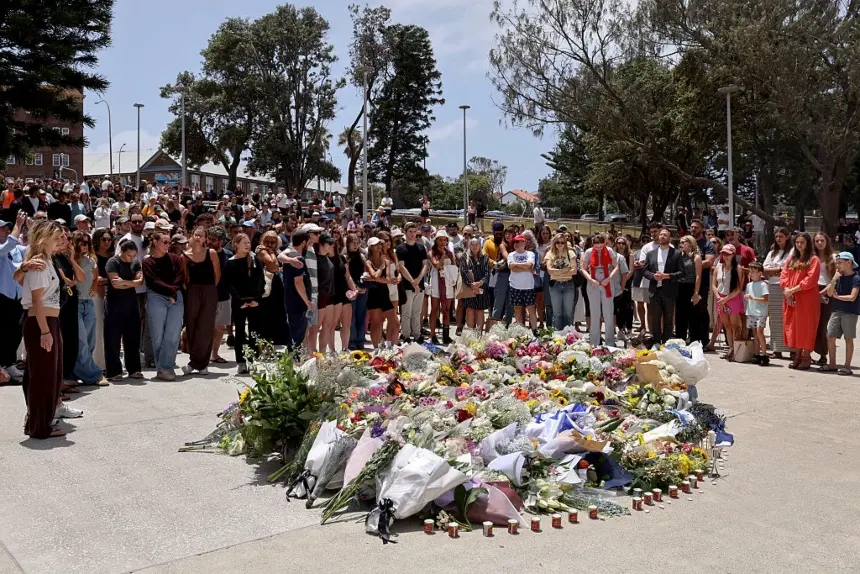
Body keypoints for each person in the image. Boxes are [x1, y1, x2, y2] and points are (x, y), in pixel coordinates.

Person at [20, 221, 67, 438]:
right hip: (42, 322)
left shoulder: (48, 261)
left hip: (49, 321)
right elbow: (37, 300)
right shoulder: (38, 263)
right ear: (43, 239)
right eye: (56, 237)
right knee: (42, 377)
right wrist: (45, 331)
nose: (60, 240)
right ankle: (39, 426)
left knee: (50, 375)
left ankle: (39, 423)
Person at [142, 230, 185, 381]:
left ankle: (166, 368)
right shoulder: (147, 262)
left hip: (175, 296)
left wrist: (173, 293)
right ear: (155, 242)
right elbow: (153, 281)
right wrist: (170, 291)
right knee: (158, 335)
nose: (168, 245)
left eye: (169, 242)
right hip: (156, 296)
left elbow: (180, 276)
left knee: (173, 334)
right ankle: (162, 369)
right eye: (164, 242)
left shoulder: (176, 259)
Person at [71, 231, 108, 386]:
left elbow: (95, 277)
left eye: (87, 243)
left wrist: (93, 288)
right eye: (82, 243)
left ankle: (80, 371)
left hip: (88, 302)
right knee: (82, 341)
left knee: (90, 340)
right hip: (76, 302)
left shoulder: (91, 259)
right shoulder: (71, 260)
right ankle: (93, 375)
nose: (85, 246)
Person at [181, 226, 220, 376]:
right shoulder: (184, 255)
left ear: (205, 239)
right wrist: (192, 290)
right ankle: (195, 361)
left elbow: (217, 276)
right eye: (196, 235)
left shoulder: (211, 253)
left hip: (209, 290)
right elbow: (185, 278)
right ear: (191, 236)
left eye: (201, 236)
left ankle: (201, 364)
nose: (198, 238)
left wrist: (208, 290)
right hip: (192, 291)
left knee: (206, 326)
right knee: (192, 325)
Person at [223, 233, 264, 374]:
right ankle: (241, 362)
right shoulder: (230, 262)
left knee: (255, 331)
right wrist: (240, 300)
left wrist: (257, 298)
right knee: (240, 332)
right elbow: (228, 284)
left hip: (254, 301)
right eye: (244, 242)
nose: (247, 245)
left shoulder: (254, 259)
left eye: (248, 242)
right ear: (236, 245)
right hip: (239, 302)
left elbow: (260, 279)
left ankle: (253, 359)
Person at [104, 239, 144, 381]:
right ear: (122, 251)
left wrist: (126, 283)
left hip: (131, 303)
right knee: (113, 338)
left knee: (133, 337)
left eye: (133, 255)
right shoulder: (112, 262)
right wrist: (132, 283)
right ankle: (114, 371)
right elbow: (116, 284)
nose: (131, 258)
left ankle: (134, 369)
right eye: (128, 255)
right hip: (114, 304)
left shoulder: (135, 263)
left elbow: (140, 282)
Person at [780, 232, 821, 370]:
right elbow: (784, 276)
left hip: (807, 299)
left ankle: (806, 357)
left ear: (808, 243)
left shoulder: (813, 260)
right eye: (797, 242)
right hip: (791, 298)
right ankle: (797, 356)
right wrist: (788, 292)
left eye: (802, 242)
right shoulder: (791, 259)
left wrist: (791, 291)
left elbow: (810, 280)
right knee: (794, 326)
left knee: (807, 327)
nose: (799, 245)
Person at [0, 212, 26, 380]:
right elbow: (7, 247)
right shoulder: (5, 247)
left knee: (15, 331)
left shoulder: (17, 248)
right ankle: (2, 365)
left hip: (17, 296)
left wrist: (31, 228)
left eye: (7, 227)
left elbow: (31, 250)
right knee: (2, 331)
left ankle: (9, 362)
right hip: (2, 295)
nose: (6, 230)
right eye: (2, 228)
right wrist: (18, 225)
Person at [824, 252, 860, 375]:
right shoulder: (838, 277)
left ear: (849, 262)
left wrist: (838, 297)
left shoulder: (856, 278)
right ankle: (832, 364)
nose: (837, 265)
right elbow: (830, 293)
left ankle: (847, 366)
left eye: (840, 263)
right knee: (830, 336)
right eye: (837, 263)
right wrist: (834, 279)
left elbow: (852, 297)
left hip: (850, 312)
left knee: (848, 338)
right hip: (836, 311)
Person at [582, 233, 620, 346]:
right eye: (596, 246)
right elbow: (583, 268)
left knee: (608, 313)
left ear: (604, 243)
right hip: (593, 282)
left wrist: (609, 278)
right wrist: (590, 279)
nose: (598, 249)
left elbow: (616, 266)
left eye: (601, 246)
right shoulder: (589, 252)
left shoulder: (609, 250)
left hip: (606, 281)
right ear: (593, 244)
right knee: (595, 313)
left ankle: (610, 342)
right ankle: (594, 342)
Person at [763, 228, 793, 358]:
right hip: (773, 286)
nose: (778, 239)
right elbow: (764, 269)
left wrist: (776, 270)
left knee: (788, 318)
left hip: (788, 286)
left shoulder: (793, 251)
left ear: (787, 237)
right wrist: (779, 269)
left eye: (781, 236)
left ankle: (792, 349)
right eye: (776, 237)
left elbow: (790, 268)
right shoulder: (772, 253)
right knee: (775, 319)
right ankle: (777, 349)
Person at [396, 222, 429, 342]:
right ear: (405, 232)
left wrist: (418, 280)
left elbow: (425, 265)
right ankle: (405, 335)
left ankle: (417, 334)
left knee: (417, 312)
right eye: (410, 231)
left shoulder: (421, 247)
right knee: (406, 313)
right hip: (406, 286)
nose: (413, 234)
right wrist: (412, 282)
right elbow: (401, 267)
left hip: (419, 284)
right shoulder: (401, 248)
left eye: (415, 232)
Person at [712, 243, 744, 360]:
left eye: (728, 254)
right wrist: (718, 297)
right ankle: (731, 348)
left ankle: (736, 349)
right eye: (724, 254)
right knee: (726, 325)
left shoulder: (738, 268)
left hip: (732, 298)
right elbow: (714, 285)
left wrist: (726, 298)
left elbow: (738, 288)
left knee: (734, 325)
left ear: (733, 255)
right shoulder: (718, 267)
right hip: (720, 298)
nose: (725, 256)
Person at [365, 237, 399, 347]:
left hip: (384, 293)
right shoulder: (368, 262)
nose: (379, 246)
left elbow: (387, 279)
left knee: (394, 322)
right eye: (376, 244)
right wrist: (380, 268)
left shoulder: (386, 262)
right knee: (376, 323)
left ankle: (390, 345)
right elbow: (376, 275)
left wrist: (374, 278)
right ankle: (376, 348)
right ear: (371, 247)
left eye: (380, 244)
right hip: (373, 294)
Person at [283, 231, 314, 351]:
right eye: (308, 242)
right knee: (297, 336)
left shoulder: (290, 256)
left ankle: (292, 359)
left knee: (295, 335)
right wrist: (307, 302)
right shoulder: (297, 258)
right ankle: (292, 360)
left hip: (292, 301)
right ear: (303, 243)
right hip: (298, 303)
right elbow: (298, 282)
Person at [428, 230, 459, 344]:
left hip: (447, 282)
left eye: (444, 240)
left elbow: (454, 267)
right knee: (435, 308)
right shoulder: (432, 252)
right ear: (436, 241)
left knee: (446, 309)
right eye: (440, 240)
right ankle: (433, 335)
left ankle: (446, 335)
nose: (442, 242)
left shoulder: (450, 253)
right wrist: (442, 256)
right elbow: (437, 265)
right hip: (436, 281)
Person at [208, 226, 233, 363]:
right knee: (206, 327)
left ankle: (214, 354)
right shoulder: (203, 254)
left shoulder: (229, 255)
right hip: (207, 296)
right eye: (209, 239)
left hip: (224, 296)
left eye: (213, 240)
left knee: (220, 327)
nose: (210, 242)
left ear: (221, 241)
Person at [545, 233, 579, 330]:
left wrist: (557, 272)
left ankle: (568, 335)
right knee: (557, 313)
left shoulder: (570, 253)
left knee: (568, 313)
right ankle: (557, 334)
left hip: (569, 285)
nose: (560, 244)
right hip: (555, 285)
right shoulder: (550, 254)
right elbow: (549, 270)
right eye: (558, 242)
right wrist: (565, 270)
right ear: (554, 243)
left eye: (562, 242)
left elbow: (574, 271)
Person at [812, 232, 836, 364]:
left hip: (827, 291)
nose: (820, 243)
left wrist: (825, 291)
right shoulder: (811, 257)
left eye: (822, 240)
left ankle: (823, 354)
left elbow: (836, 278)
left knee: (823, 324)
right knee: (811, 324)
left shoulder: (833, 257)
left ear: (827, 241)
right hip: (812, 290)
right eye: (817, 241)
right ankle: (807, 353)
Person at [459, 237, 490, 332]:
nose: (475, 246)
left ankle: (478, 334)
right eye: (472, 244)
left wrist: (480, 283)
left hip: (482, 287)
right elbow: (463, 272)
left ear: (480, 245)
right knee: (470, 310)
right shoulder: (465, 257)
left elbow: (487, 273)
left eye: (477, 244)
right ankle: (470, 334)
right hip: (469, 288)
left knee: (480, 310)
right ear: (469, 246)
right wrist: (472, 285)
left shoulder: (485, 257)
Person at [508, 234, 538, 331]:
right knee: (517, 309)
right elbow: (512, 268)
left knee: (531, 309)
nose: (516, 244)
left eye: (518, 241)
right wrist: (525, 267)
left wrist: (516, 265)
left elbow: (529, 265)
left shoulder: (530, 254)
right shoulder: (511, 255)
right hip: (515, 286)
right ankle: (520, 330)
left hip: (528, 286)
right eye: (514, 242)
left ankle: (534, 329)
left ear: (524, 243)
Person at [345, 233, 368, 350]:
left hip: (362, 289)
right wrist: (354, 288)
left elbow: (366, 272)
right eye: (353, 243)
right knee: (351, 316)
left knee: (361, 315)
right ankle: (352, 340)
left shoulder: (362, 256)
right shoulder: (345, 257)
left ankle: (360, 340)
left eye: (357, 243)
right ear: (348, 244)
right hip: (350, 290)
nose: (355, 245)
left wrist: (364, 286)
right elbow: (346, 275)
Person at [744, 262, 770, 365]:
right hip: (751, 311)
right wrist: (747, 298)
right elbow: (748, 296)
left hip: (761, 312)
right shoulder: (749, 285)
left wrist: (752, 298)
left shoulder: (763, 285)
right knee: (755, 334)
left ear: (760, 273)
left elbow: (765, 299)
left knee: (760, 332)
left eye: (753, 271)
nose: (751, 274)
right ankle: (756, 353)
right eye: (750, 272)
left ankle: (764, 354)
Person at [314, 233, 336, 353]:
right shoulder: (315, 259)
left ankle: (322, 353)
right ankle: (312, 353)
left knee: (327, 324)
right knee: (316, 326)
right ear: (321, 244)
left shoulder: (327, 257)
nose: (332, 245)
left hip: (329, 294)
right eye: (329, 243)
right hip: (320, 295)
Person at [613, 236, 634, 340]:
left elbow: (630, 271)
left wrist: (623, 281)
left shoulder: (630, 255)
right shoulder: (614, 255)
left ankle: (629, 329)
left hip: (627, 284)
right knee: (618, 308)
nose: (621, 245)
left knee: (628, 308)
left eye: (623, 243)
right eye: (619, 243)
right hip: (616, 284)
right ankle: (620, 329)